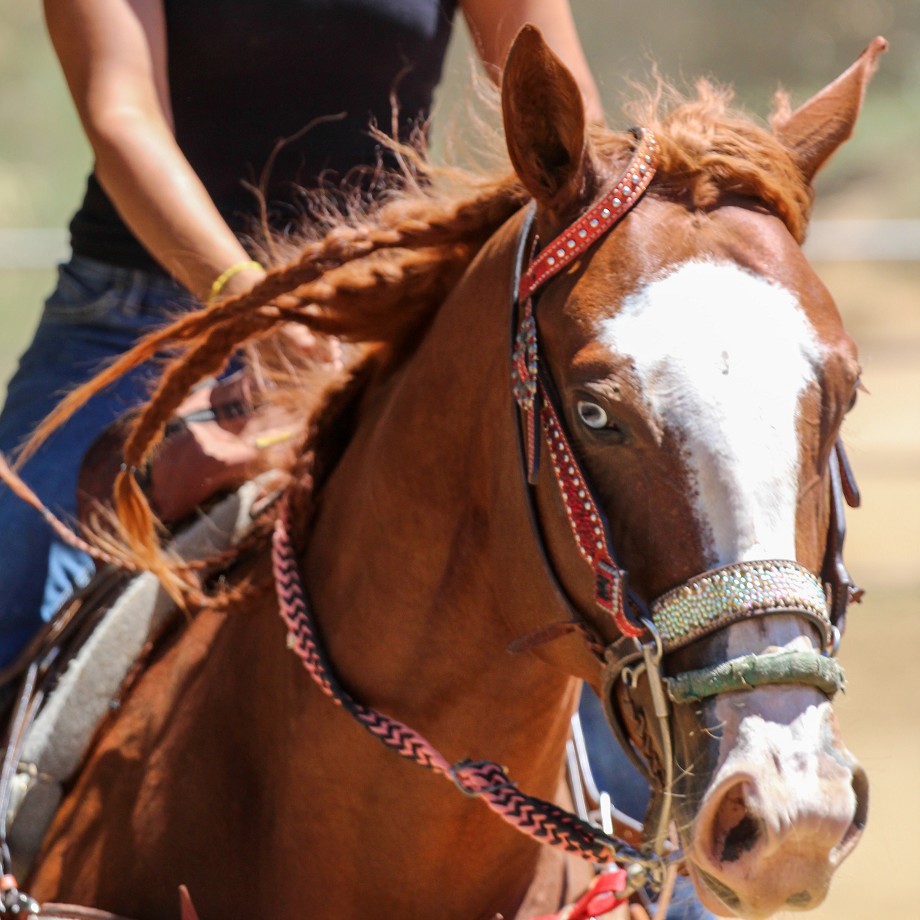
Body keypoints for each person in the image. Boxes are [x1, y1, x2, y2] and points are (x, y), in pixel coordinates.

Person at [0, 0, 602, 670]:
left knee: (605, 591)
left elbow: (565, 123)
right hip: (136, 316)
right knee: (10, 592)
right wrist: (249, 301)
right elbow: (122, 117)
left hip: (385, 312)